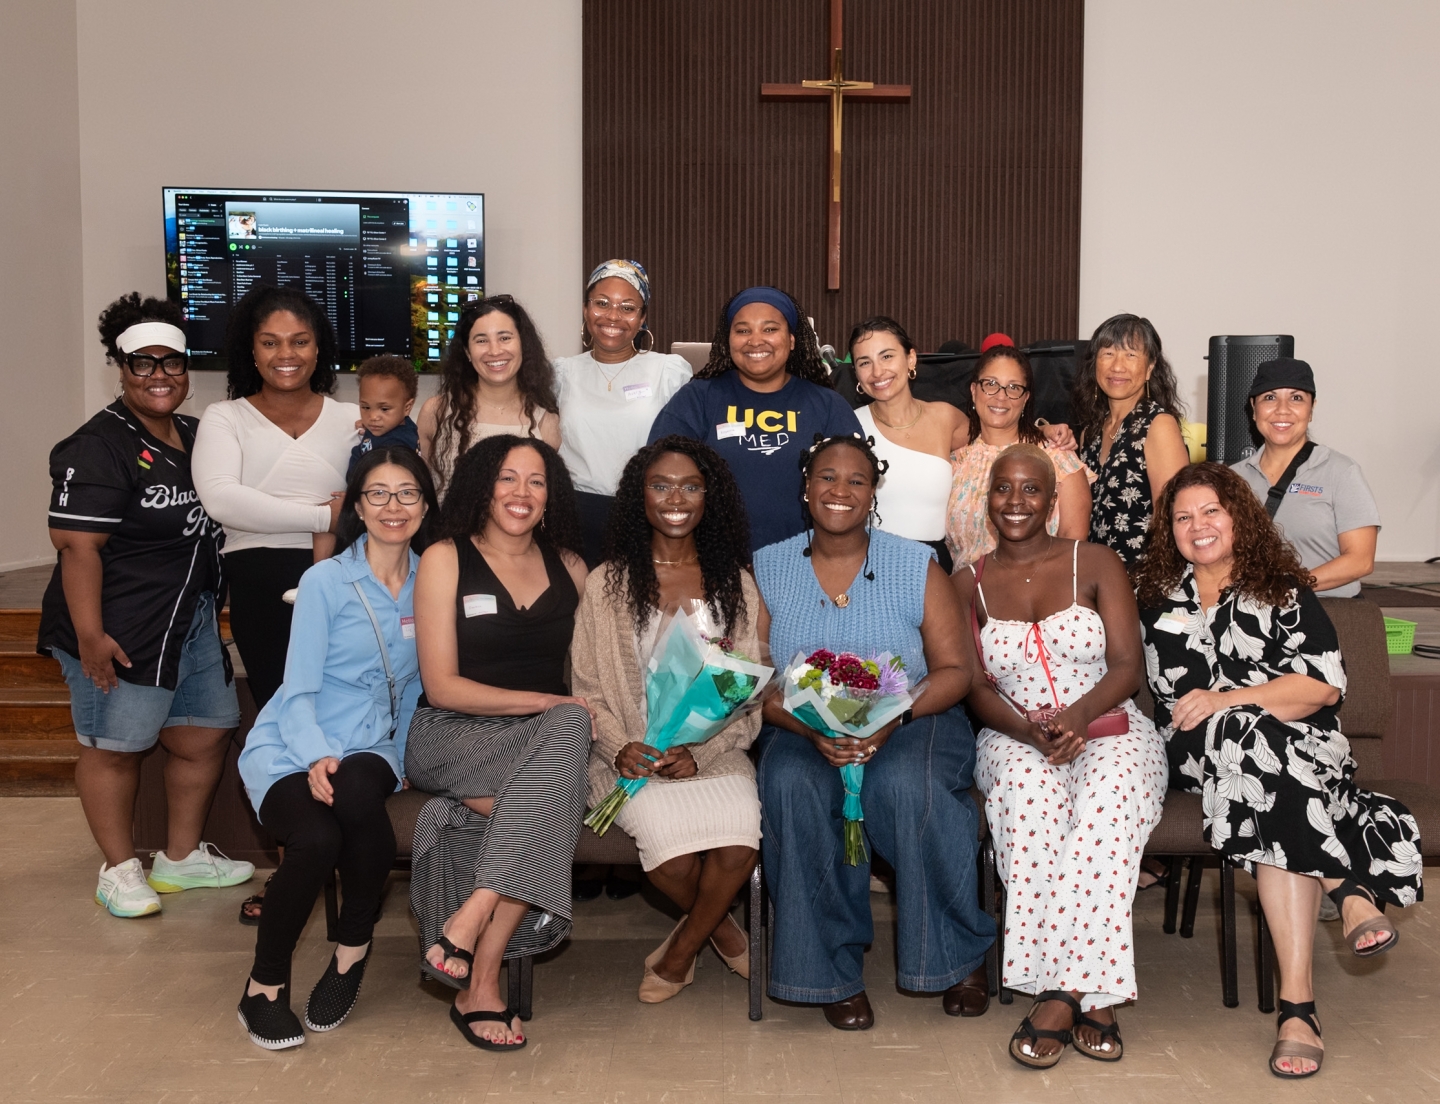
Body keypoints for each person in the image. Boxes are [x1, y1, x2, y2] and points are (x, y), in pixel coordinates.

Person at [1135, 463, 1421, 1079]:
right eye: (1182, 517)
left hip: (1301, 754)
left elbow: (1320, 688)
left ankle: (1299, 1011)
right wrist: (1236, 704)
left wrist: (1230, 698)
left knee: (1255, 755)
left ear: (1238, 515)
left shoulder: (1283, 590)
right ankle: (1344, 889)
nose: (1197, 526)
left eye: (1211, 510)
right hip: (1198, 755)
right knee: (1242, 734)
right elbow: (1176, 699)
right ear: (1170, 531)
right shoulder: (1158, 601)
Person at [753, 434, 994, 1031]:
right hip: (804, 725)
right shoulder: (768, 564)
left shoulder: (917, 563)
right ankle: (825, 973)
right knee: (789, 782)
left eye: (856, 480)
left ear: (873, 491)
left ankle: (956, 956)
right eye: (827, 478)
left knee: (906, 787)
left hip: (915, 716)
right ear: (806, 488)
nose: (840, 490)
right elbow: (755, 677)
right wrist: (810, 732)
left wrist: (891, 718)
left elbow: (956, 671)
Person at [953, 445, 1166, 1070]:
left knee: (1104, 815)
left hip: (1112, 725)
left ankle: (1059, 995)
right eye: (1003, 489)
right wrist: (1030, 732)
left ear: (1053, 499)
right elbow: (974, 685)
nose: (1015, 502)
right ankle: (1096, 1000)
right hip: (1013, 736)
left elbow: (1129, 665)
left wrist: (1074, 717)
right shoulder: (967, 582)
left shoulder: (1096, 561)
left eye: (1031, 490)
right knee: (1032, 818)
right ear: (986, 498)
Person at [38, 292, 250, 919]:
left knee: (206, 736)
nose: (160, 377)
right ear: (120, 367)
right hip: (119, 626)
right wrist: (90, 636)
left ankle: (179, 859)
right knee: (114, 747)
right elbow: (79, 549)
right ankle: (117, 867)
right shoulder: (96, 446)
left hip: (189, 624)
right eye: (142, 364)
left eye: (172, 363)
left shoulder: (197, 433)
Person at [235, 449, 436, 1049]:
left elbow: (429, 682)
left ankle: (349, 956)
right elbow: (296, 689)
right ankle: (262, 988)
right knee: (317, 838)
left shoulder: (436, 579)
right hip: (296, 738)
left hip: (379, 743)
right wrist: (318, 753)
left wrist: (402, 758)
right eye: (378, 494)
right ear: (357, 506)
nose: (392, 507)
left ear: (426, 506)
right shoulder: (325, 580)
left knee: (355, 791)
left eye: (407, 494)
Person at [405, 435, 592, 1051]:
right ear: (483, 486)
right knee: (562, 756)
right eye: (508, 478)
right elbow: (443, 684)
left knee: (565, 747)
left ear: (551, 495)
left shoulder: (570, 567)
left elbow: (591, 675)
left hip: (544, 746)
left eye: (536, 482)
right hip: (452, 733)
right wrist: (546, 704)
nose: (521, 493)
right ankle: (481, 967)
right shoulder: (444, 557)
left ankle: (474, 946)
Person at [571, 437, 763, 1002]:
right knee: (673, 859)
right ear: (639, 496)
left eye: (690, 486)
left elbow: (746, 693)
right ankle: (724, 933)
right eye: (660, 485)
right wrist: (619, 748)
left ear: (710, 497)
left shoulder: (737, 583)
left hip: (713, 755)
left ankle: (680, 953)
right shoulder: (605, 584)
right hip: (630, 756)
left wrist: (701, 752)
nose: (674, 497)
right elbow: (584, 687)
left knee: (739, 845)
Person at [192, 284, 360, 712]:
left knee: (346, 708)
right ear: (251, 350)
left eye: (300, 341)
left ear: (318, 349)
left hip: (346, 580)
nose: (286, 354)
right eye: (270, 342)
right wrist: (326, 517)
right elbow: (222, 501)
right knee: (280, 709)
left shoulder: (354, 418)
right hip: (258, 583)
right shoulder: (225, 417)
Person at [850, 317, 1078, 574]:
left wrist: (1043, 431)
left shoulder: (945, 418)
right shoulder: (849, 425)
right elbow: (989, 433)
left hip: (934, 566)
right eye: (864, 362)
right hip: (875, 561)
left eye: (887, 356)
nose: (878, 371)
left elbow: (999, 430)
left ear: (911, 359)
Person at [647, 286, 861, 552]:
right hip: (714, 565)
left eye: (770, 329)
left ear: (792, 340)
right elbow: (658, 478)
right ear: (728, 340)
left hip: (807, 564)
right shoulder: (697, 399)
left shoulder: (828, 405)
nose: (755, 340)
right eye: (743, 330)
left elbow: (857, 489)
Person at [555, 259, 693, 567]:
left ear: (643, 316)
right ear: (585, 308)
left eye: (628, 307)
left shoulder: (668, 371)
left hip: (644, 514)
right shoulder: (562, 373)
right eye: (601, 303)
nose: (613, 316)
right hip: (575, 515)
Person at [1230, 358, 1379, 598]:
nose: (1282, 409)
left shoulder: (1340, 471)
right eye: (1269, 397)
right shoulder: (1232, 477)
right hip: (1252, 613)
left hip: (1328, 611)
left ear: (1311, 409)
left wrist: (1289, 586)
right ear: (1253, 407)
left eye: (1296, 398)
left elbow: (1360, 561)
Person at [945, 343, 1092, 568]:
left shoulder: (1057, 458)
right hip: (966, 597)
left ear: (1025, 398)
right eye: (991, 384)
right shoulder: (953, 464)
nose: (1001, 397)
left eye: (1013, 387)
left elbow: (1073, 543)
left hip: (1041, 595)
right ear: (974, 391)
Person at [1073, 314, 1190, 567]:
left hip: (1142, 578)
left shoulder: (1158, 425)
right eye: (1108, 354)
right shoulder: (1089, 432)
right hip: (1093, 577)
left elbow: (1174, 516)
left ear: (1149, 368)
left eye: (1131, 355)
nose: (1117, 366)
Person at [418, 295, 561, 496]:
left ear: (522, 344)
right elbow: (421, 492)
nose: (494, 351)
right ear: (467, 351)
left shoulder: (546, 421)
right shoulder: (436, 412)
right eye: (482, 340)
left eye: (505, 338)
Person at [348, 355, 420, 478]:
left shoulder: (397, 446)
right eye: (366, 407)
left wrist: (355, 494)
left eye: (384, 409)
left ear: (407, 407)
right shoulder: (392, 426)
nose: (373, 416)